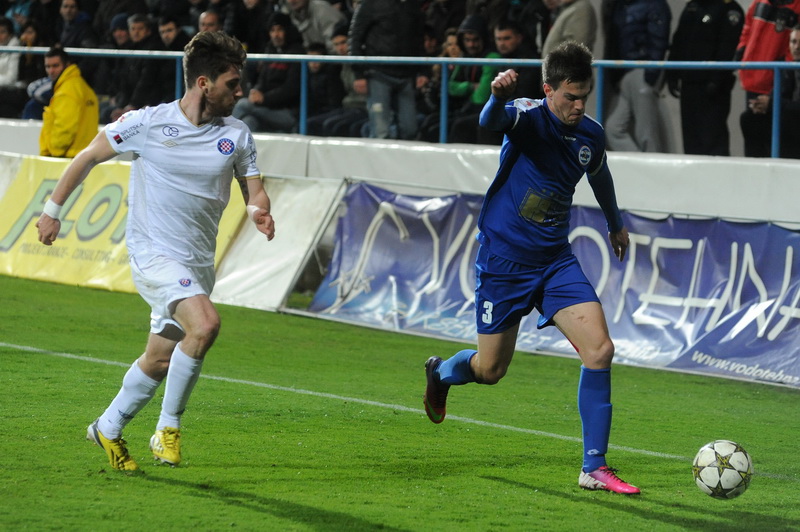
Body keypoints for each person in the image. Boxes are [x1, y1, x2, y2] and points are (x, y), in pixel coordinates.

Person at [35, 30, 275, 471]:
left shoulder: (238, 135)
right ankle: (168, 428)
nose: (240, 92)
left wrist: (259, 211)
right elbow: (87, 155)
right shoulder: (146, 123)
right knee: (204, 326)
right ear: (203, 83)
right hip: (153, 254)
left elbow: (254, 189)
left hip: (199, 262)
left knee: (160, 358)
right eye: (231, 83)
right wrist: (52, 211)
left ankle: (106, 428)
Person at [422, 41, 640, 495]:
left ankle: (593, 466)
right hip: (504, 261)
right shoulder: (526, 116)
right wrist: (498, 96)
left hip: (555, 261)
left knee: (599, 351)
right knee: (491, 370)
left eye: (584, 97)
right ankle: (442, 373)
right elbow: (490, 121)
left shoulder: (590, 134)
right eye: (570, 97)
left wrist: (614, 223)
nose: (579, 106)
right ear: (548, 90)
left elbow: (599, 172)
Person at [668, 0, 743, 156]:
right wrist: (672, 73)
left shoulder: (729, 9)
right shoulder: (693, 7)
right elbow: (679, 40)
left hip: (713, 88)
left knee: (712, 139)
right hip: (689, 83)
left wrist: (716, 80)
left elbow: (727, 48)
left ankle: (718, 178)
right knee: (691, 139)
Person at [348, 0, 426, 140]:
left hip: (407, 74)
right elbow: (355, 39)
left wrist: (423, 71)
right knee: (381, 130)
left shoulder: (413, 6)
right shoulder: (370, 4)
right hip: (378, 73)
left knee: (410, 129)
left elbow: (419, 40)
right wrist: (358, 74)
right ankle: (377, 161)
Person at [602, 0, 672, 153]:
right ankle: (641, 166)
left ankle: (652, 171)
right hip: (625, 71)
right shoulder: (621, 5)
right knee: (613, 128)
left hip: (643, 69)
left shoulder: (655, 5)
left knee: (646, 134)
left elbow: (659, 40)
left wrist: (651, 74)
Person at [736, 0, 800, 156]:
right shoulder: (758, 3)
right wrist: (741, 53)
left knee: (783, 127)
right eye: (794, 42)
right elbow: (747, 30)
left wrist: (773, 100)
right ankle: (755, 172)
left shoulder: (797, 7)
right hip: (752, 78)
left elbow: (794, 47)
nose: (797, 46)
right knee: (750, 120)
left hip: (777, 80)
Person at [231, 12, 304, 132]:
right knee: (249, 121)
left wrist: (264, 98)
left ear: (288, 30)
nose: (276, 34)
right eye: (272, 30)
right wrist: (256, 91)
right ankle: (239, 150)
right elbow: (262, 79)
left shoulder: (297, 52)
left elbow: (291, 89)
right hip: (266, 108)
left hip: (289, 113)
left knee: (242, 104)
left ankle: (222, 142)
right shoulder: (270, 50)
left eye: (279, 30)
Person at [38, 46, 98, 157]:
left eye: (55, 66)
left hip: (68, 157)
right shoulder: (81, 85)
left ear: (67, 64)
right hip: (84, 156)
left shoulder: (67, 91)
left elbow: (65, 129)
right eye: (48, 66)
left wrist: (53, 153)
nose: (51, 71)